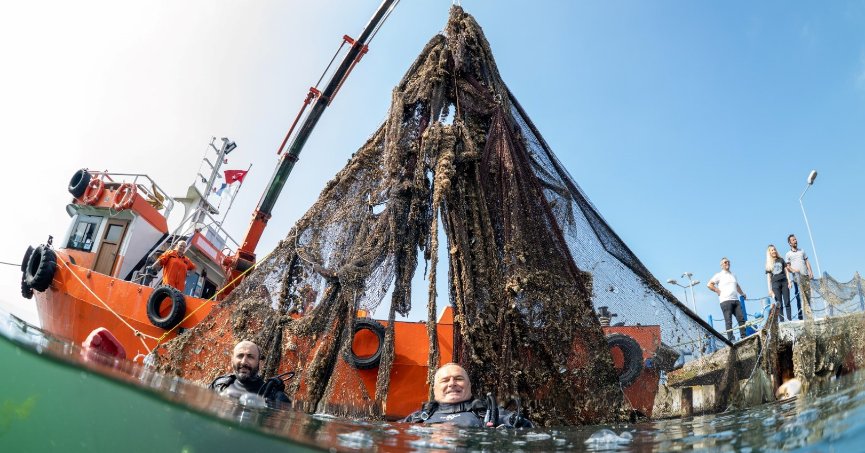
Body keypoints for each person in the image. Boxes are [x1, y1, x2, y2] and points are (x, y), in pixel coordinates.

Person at [402, 363, 533, 428]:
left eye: (458, 379)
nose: (452, 383)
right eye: (445, 380)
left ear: (469, 386)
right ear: (434, 389)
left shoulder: (492, 415)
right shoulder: (415, 419)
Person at [209, 340, 291, 406]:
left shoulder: (274, 397)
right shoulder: (218, 385)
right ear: (232, 360)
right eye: (240, 356)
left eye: (250, 357)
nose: (244, 362)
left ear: (260, 363)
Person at [707, 257, 748, 342]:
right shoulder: (719, 275)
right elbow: (709, 284)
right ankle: (731, 339)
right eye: (725, 262)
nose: (727, 263)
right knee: (728, 321)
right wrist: (716, 290)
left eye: (728, 262)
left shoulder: (733, 275)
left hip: (736, 300)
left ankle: (744, 337)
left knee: (741, 318)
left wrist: (742, 293)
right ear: (721, 265)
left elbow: (737, 286)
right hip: (725, 301)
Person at [785, 234, 813, 320]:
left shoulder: (802, 251)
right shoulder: (788, 254)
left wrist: (810, 272)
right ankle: (800, 316)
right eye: (793, 240)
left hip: (805, 276)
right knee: (798, 297)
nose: (795, 241)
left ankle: (810, 314)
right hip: (797, 278)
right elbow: (788, 267)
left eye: (795, 239)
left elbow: (807, 261)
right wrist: (794, 270)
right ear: (790, 243)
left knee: (808, 296)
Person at [765, 244, 793, 322]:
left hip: (784, 282)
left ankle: (790, 320)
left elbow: (786, 271)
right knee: (779, 304)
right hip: (775, 284)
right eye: (772, 250)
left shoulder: (781, 259)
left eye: (774, 249)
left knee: (787, 302)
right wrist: (770, 290)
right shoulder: (768, 264)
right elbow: (768, 278)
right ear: (769, 252)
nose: (774, 251)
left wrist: (789, 281)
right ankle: (782, 321)